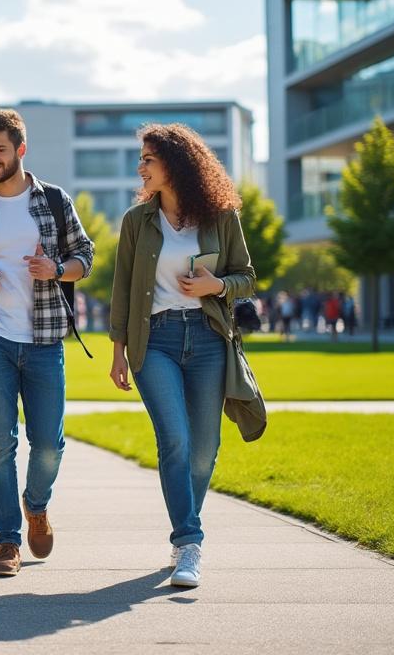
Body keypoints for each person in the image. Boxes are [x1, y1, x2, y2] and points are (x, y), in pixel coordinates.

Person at [0, 109, 95, 578]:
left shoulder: (53, 201)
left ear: (20, 149)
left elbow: (84, 256)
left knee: (48, 443)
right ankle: (7, 541)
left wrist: (57, 270)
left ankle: (36, 504)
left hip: (46, 339)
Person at [108, 122, 255, 588]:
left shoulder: (221, 217)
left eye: (148, 159)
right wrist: (117, 353)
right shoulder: (137, 221)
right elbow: (123, 292)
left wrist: (218, 286)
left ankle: (182, 534)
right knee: (174, 439)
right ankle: (189, 541)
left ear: (176, 164)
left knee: (204, 448)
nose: (141, 167)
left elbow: (246, 277)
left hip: (209, 338)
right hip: (155, 342)